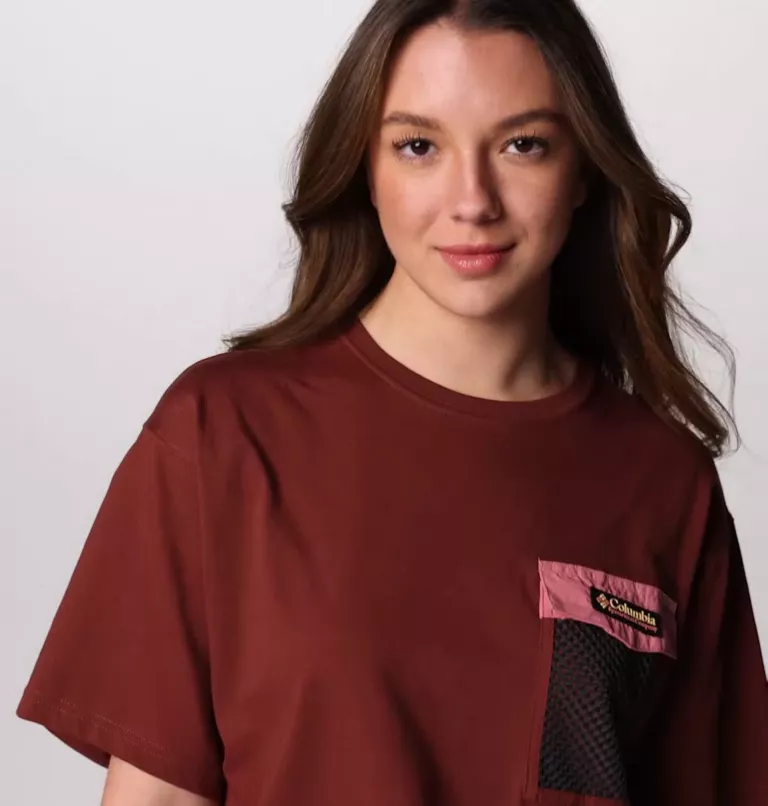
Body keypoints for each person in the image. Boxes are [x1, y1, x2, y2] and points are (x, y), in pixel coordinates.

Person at [16, 0, 767, 804]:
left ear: (583, 168)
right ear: (365, 171)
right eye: (418, 146)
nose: (472, 200)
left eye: (523, 144)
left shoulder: (663, 482)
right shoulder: (222, 435)